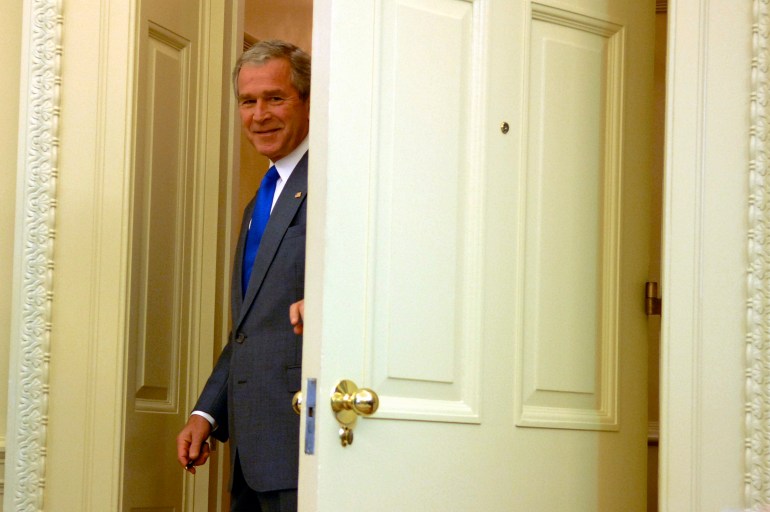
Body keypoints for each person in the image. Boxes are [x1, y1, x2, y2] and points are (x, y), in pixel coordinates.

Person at [176, 39, 310, 512]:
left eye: (275, 98)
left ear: (307, 100)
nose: (259, 115)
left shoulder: (336, 180)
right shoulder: (260, 201)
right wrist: (206, 412)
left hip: (305, 445)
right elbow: (249, 329)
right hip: (251, 458)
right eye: (248, 102)